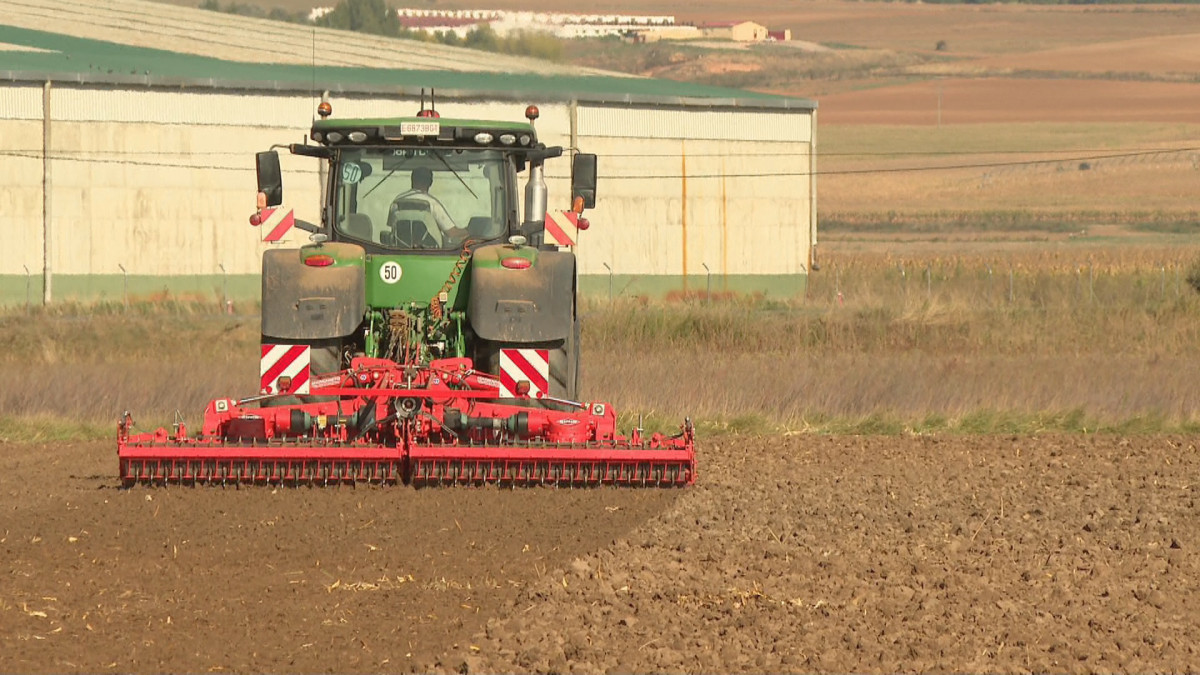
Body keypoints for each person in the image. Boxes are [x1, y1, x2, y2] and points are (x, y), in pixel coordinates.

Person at [389, 167, 467, 245]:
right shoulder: (432, 203)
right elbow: (451, 233)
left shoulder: (397, 201)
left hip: (400, 251)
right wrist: (469, 230)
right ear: (430, 183)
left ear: (412, 180)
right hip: (429, 252)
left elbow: (391, 225)